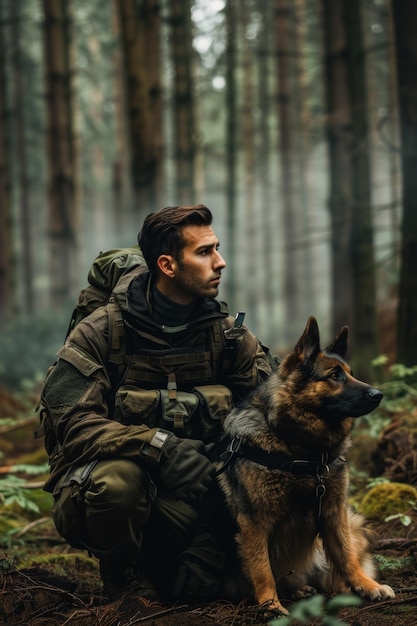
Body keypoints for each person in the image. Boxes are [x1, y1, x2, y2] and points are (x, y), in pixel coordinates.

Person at [40, 204, 273, 603]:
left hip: (206, 504)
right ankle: (125, 580)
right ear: (167, 265)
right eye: (204, 252)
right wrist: (157, 447)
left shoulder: (229, 337)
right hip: (127, 501)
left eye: (217, 248)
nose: (221, 262)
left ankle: (200, 559)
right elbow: (72, 423)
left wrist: (211, 547)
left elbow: (273, 426)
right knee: (114, 484)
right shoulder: (100, 332)